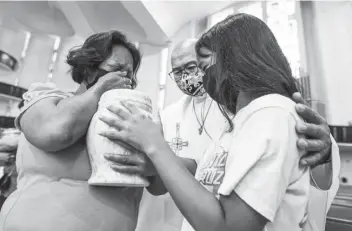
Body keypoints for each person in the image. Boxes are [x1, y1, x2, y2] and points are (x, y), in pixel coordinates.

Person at [99, 14, 340, 231]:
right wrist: (155, 163)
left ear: (235, 60)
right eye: (178, 72)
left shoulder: (268, 112)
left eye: (200, 67)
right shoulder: (234, 120)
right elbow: (208, 172)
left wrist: (155, 147)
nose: (200, 79)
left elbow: (230, 224)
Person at [0, 30, 155, 231]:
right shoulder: (48, 99)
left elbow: (158, 185)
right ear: (89, 69)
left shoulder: (132, 118)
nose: (126, 78)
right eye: (117, 69)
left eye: (130, 73)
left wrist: (151, 164)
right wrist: (100, 89)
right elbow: (55, 133)